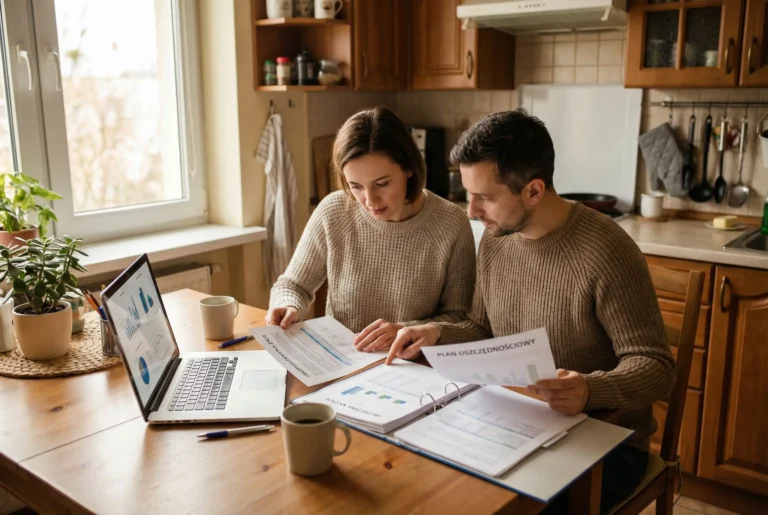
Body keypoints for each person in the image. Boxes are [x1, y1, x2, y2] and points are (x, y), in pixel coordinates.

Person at [385, 109, 675, 514]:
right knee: (425, 484)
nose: (471, 211)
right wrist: (434, 332)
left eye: (485, 197)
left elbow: (657, 366)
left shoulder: (608, 251)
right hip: (517, 424)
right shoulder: (497, 240)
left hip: (606, 444)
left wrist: (591, 390)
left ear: (534, 191)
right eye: (468, 194)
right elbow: (481, 327)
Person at [266, 107, 476, 353]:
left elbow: (459, 320)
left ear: (409, 167)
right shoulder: (334, 212)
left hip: (412, 369)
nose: (370, 200)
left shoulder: (451, 224)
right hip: (341, 365)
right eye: (356, 186)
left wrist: (403, 330)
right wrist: (288, 305)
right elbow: (292, 285)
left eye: (382, 184)